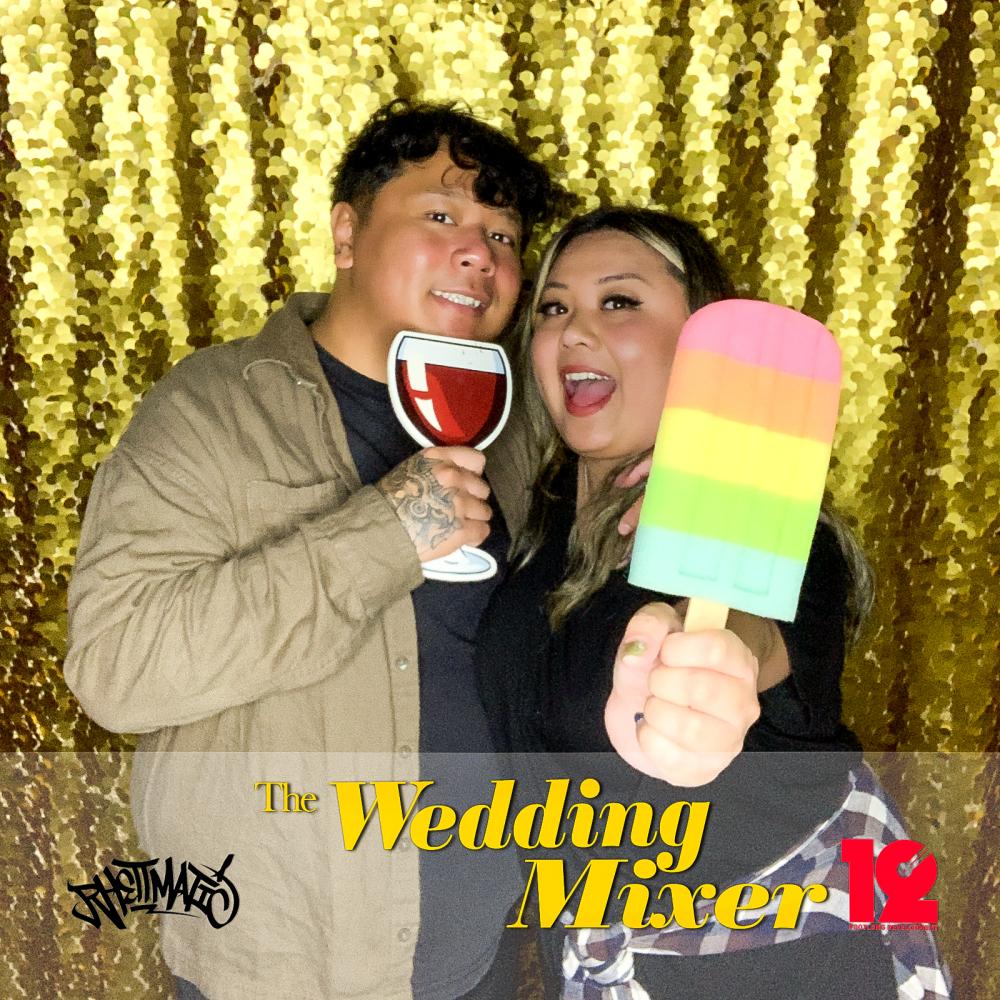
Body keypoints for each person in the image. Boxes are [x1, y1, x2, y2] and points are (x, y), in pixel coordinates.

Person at [64, 99, 559, 1000]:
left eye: (503, 236)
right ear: (346, 233)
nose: (480, 254)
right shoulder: (209, 409)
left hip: (480, 952)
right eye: (441, 215)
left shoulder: (520, 422)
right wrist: (384, 533)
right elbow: (117, 667)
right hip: (281, 969)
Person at [477, 206, 945, 998]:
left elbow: (754, 636)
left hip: (783, 965)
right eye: (554, 308)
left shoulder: (771, 527)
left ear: (703, 345)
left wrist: (707, 664)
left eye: (619, 301)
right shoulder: (543, 521)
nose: (575, 330)